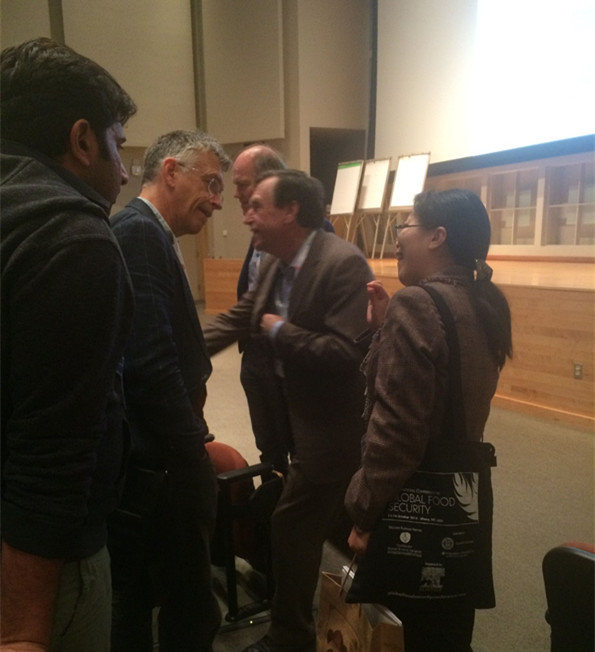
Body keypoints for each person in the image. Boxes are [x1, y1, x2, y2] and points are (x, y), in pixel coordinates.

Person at [0, 38, 137, 652]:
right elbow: (51, 452)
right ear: (82, 140)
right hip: (45, 569)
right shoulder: (70, 237)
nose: (124, 170)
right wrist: (23, 631)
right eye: (118, 144)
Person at [203, 169, 373, 652]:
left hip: (331, 428)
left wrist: (279, 330)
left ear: (291, 210)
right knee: (336, 521)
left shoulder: (343, 263)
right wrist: (182, 348)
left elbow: (345, 352)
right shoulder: (277, 260)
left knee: (291, 524)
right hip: (294, 419)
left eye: (258, 205)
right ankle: (380, 599)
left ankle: (289, 636)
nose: (247, 215)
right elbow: (244, 315)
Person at [345, 189, 513, 652]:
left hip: (412, 504)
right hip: (461, 499)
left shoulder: (417, 304)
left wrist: (363, 512)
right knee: (448, 630)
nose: (398, 238)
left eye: (406, 225)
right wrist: (387, 333)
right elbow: (444, 394)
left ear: (438, 236)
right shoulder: (481, 300)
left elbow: (398, 431)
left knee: (407, 633)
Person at [107, 130, 231, 652]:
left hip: (159, 460)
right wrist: (192, 451)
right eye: (212, 183)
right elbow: (151, 364)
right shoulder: (139, 233)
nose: (218, 201)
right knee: (181, 604)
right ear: (171, 172)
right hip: (162, 466)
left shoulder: (150, 233)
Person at [232, 145, 293, 473]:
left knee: (300, 453)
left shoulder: (312, 235)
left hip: (291, 365)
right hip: (257, 360)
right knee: (269, 452)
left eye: (242, 184)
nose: (235, 194)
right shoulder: (260, 229)